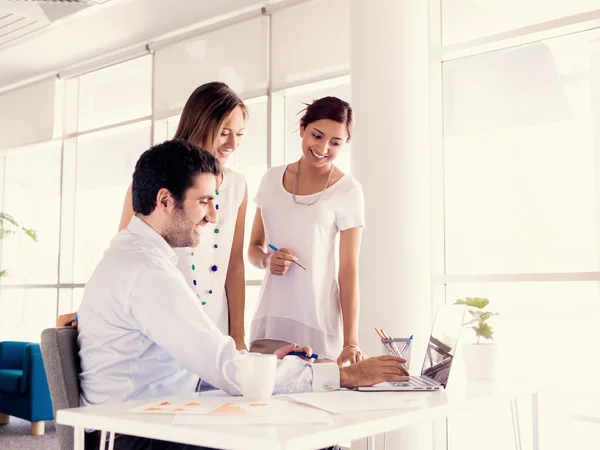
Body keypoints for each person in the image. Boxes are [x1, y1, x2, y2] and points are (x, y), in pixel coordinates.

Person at [77, 139, 408, 450]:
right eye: (204, 201)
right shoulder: (145, 272)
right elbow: (226, 367)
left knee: (292, 425)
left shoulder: (137, 258)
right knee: (310, 441)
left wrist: (264, 366)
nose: (213, 215)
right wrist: (343, 375)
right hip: (132, 436)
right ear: (165, 201)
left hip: (150, 421)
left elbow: (208, 363)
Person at [118, 82, 249, 350]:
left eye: (240, 134)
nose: (233, 144)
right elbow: (126, 255)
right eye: (224, 132)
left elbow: (234, 264)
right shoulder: (153, 182)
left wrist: (238, 336)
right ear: (200, 123)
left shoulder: (238, 186)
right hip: (162, 323)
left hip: (216, 326)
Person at [248, 97, 365, 365]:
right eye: (317, 135)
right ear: (302, 128)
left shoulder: (348, 190)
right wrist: (267, 260)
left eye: (335, 142)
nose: (323, 148)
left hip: (318, 322)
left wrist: (351, 342)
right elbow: (253, 248)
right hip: (270, 319)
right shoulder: (270, 179)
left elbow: (348, 270)